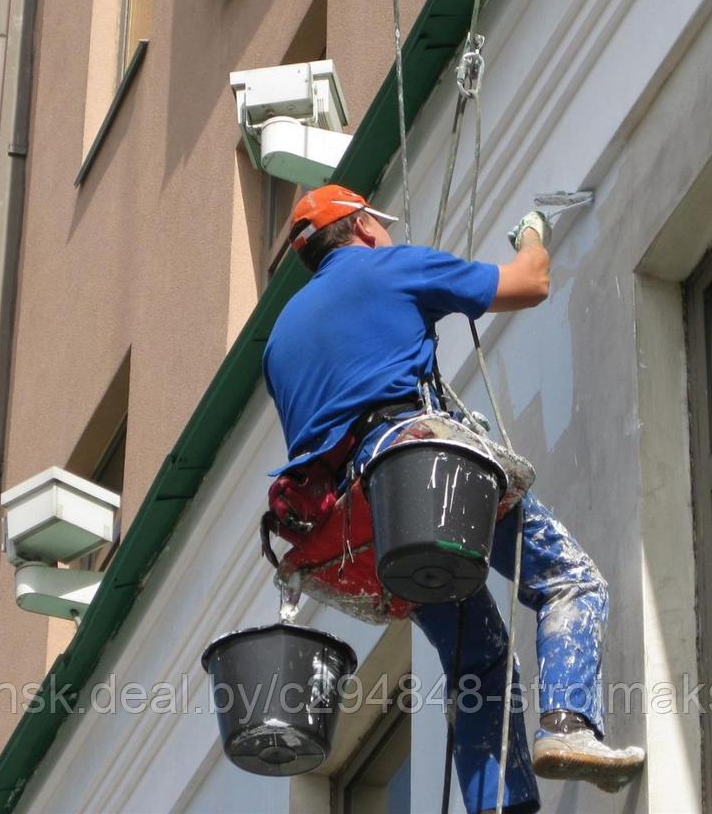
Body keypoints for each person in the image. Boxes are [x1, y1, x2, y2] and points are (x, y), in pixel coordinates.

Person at [262, 184, 645, 814]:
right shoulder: (390, 266)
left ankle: (500, 805)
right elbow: (529, 284)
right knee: (569, 581)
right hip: (421, 473)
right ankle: (569, 723)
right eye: (378, 225)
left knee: (478, 655)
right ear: (359, 226)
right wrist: (532, 234)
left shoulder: (281, 341)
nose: (385, 233)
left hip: (360, 520)